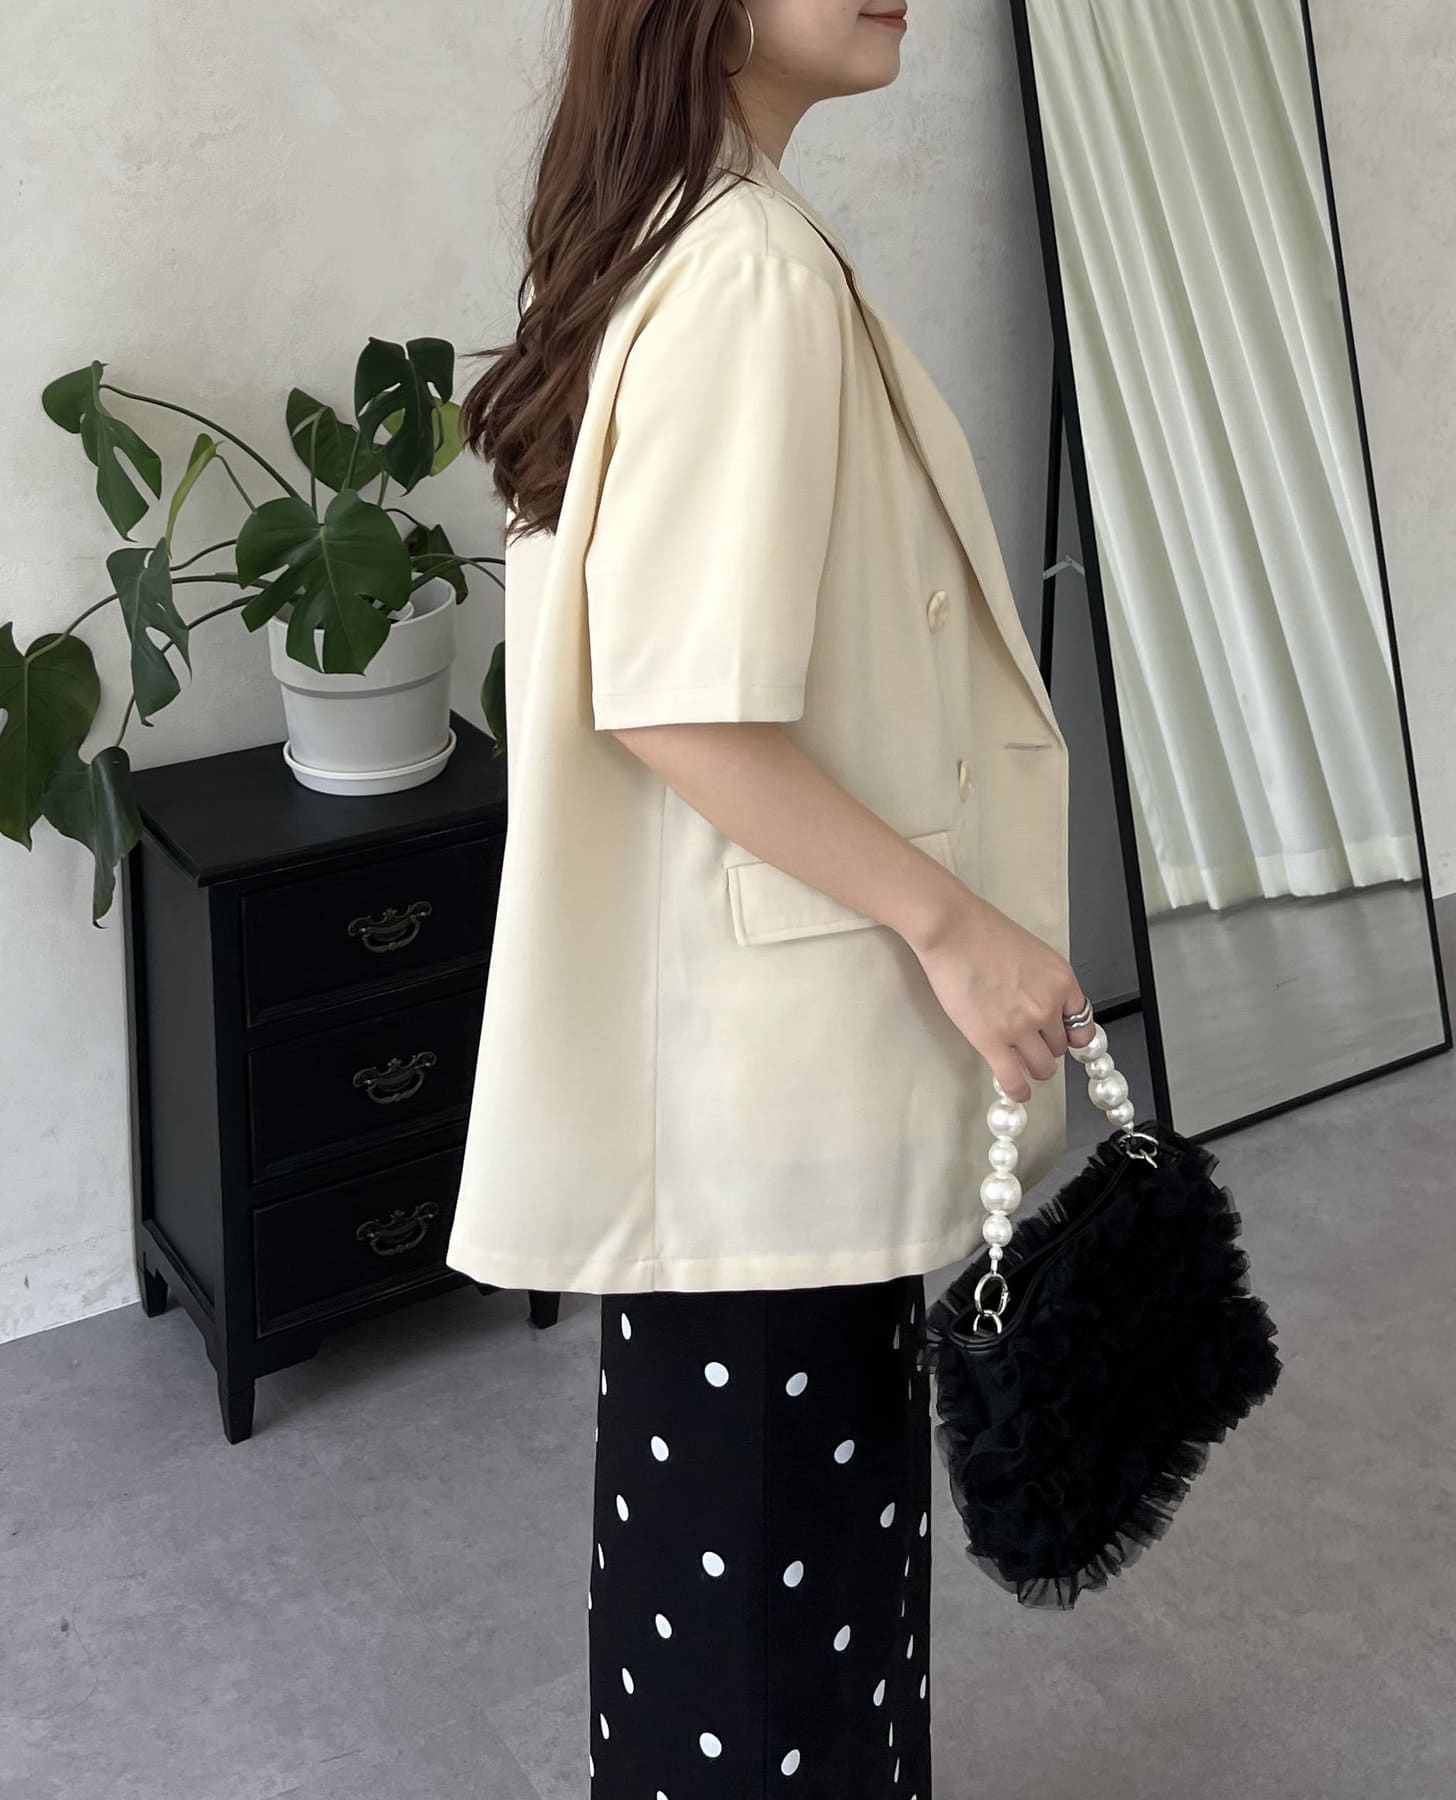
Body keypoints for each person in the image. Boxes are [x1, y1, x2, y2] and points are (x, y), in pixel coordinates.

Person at [449, 2, 1097, 1793]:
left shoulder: (680, 230)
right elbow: (678, 704)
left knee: (743, 1588)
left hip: (743, 1074)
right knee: (779, 1626)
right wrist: (960, 931)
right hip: (774, 1082)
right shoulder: (747, 271)